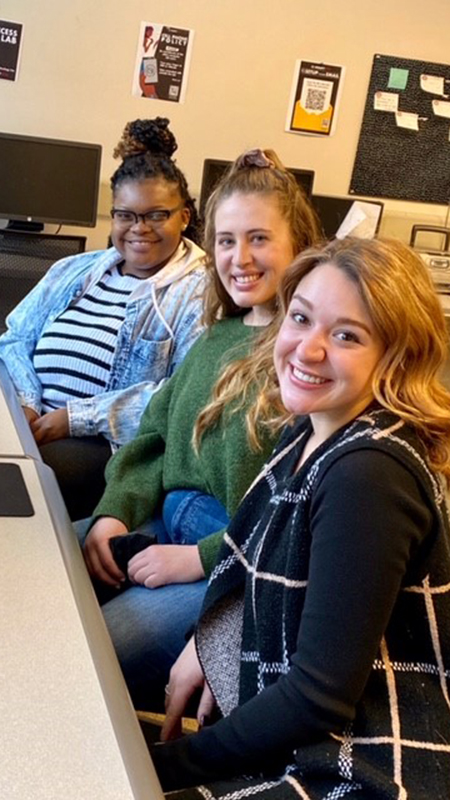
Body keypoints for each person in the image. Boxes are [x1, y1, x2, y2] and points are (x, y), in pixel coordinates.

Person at [150, 237, 450, 799]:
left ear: (397, 356)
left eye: (346, 336)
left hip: (363, 767)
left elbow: (318, 696)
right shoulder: (310, 432)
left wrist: (168, 765)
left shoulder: (368, 475)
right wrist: (205, 642)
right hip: (308, 741)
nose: (307, 350)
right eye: (301, 319)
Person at [80, 147, 321, 708]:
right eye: (226, 240)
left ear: (300, 247)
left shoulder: (304, 356)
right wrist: (114, 509)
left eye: (259, 238)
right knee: (40, 570)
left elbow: (292, 512)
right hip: (160, 525)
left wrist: (198, 558)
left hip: (232, 568)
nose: (239, 257)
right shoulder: (216, 337)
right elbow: (153, 438)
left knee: (98, 654)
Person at [0, 117, 206, 519]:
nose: (138, 229)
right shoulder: (74, 269)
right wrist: (27, 403)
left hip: (104, 445)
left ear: (183, 217)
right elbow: (14, 337)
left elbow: (180, 397)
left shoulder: (201, 292)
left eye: (155, 215)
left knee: (18, 483)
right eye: (125, 215)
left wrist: (72, 419)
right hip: (29, 417)